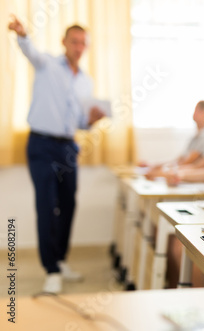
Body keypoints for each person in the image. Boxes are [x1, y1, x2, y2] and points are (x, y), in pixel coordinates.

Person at [8, 16, 106, 294]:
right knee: (46, 204)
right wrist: (23, 34)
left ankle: (60, 260)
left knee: (68, 204)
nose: (78, 47)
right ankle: (50, 269)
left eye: (83, 43)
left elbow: (82, 122)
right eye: (74, 41)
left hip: (67, 147)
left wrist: (94, 120)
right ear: (64, 43)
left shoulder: (86, 81)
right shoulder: (48, 64)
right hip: (41, 145)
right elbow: (30, 51)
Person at [143, 100, 204, 175]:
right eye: (195, 110)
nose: (194, 113)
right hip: (182, 171)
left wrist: (162, 171)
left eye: (199, 110)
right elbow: (179, 159)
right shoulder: (194, 137)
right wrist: (155, 165)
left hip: (190, 173)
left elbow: (188, 162)